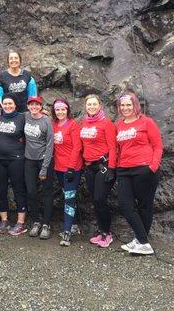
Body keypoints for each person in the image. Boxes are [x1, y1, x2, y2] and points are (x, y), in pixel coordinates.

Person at [116, 92, 163, 255]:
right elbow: (118, 149)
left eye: (128, 105)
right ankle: (142, 241)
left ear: (135, 105)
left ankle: (140, 240)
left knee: (144, 206)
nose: (125, 108)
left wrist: (152, 167)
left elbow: (158, 146)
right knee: (125, 205)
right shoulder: (119, 125)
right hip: (124, 169)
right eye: (122, 105)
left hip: (144, 169)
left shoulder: (147, 122)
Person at [79, 94, 117, 248]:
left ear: (100, 106)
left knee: (101, 199)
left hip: (104, 166)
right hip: (89, 166)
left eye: (94, 104)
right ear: (85, 107)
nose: (92, 107)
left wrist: (112, 169)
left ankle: (107, 232)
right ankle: (101, 230)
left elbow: (113, 147)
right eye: (89, 105)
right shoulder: (84, 123)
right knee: (95, 200)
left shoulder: (106, 123)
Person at [0, 93, 27, 235]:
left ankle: (20, 222)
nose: (7, 106)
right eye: (5, 103)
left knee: (19, 189)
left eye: (10, 103)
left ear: (15, 105)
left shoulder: (22, 117)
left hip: (16, 159)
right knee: (1, 190)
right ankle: (4, 220)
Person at [52, 98, 83, 247]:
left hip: (72, 169)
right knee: (67, 196)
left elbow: (77, 148)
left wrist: (71, 167)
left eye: (63, 109)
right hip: (58, 168)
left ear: (67, 110)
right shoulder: (54, 125)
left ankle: (67, 231)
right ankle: (74, 224)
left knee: (69, 200)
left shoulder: (73, 125)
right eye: (57, 109)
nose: (60, 112)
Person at [24, 96, 54, 239]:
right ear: (28, 106)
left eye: (37, 105)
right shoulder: (25, 117)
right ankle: (36, 221)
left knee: (47, 193)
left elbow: (50, 145)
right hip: (29, 160)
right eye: (31, 104)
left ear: (41, 106)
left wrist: (45, 167)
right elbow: (10, 113)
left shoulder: (46, 121)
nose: (34, 107)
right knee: (31, 192)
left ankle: (47, 224)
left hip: (44, 161)